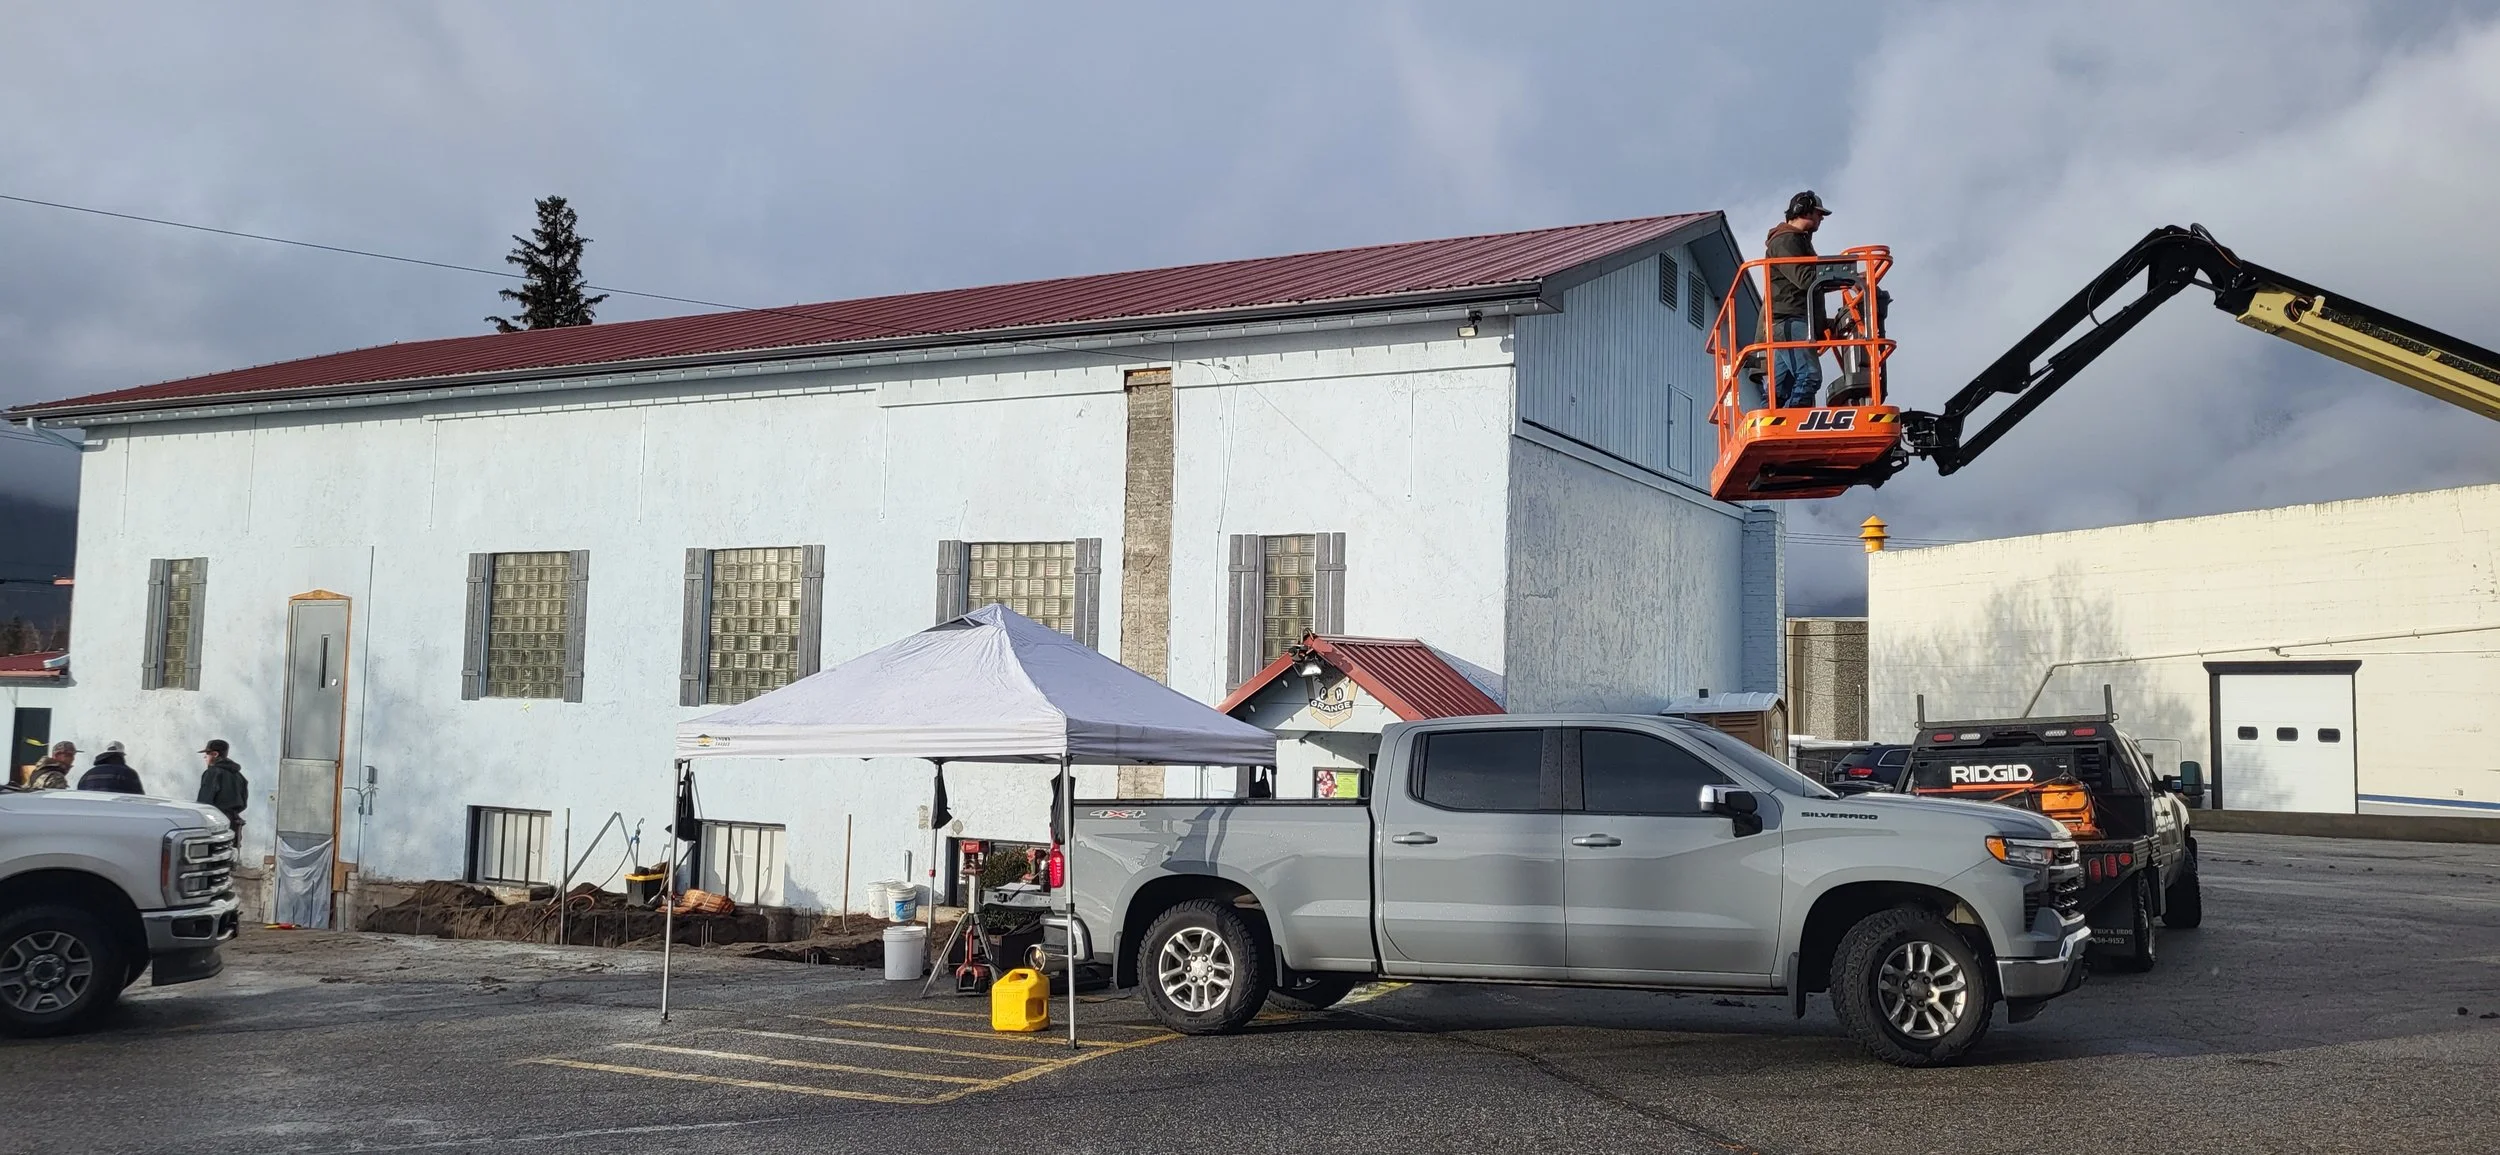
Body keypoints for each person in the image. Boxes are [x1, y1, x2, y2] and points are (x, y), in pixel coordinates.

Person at [1765, 190, 1849, 408]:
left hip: (1789, 321)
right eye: (1819, 214)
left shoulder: (1795, 241)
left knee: (1780, 389)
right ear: (1805, 210)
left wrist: (1823, 324)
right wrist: (1843, 277)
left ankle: (1772, 422)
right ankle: (1791, 422)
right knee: (1809, 376)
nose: (1821, 218)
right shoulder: (1786, 240)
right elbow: (1805, 279)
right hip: (1789, 320)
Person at [196, 739, 248, 833]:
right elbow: (243, 802)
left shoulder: (212, 773)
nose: (205, 757)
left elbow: (204, 802)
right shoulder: (239, 776)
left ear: (215, 754)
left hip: (216, 823)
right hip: (234, 824)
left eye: (207, 753)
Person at [78, 741, 144, 795]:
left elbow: (80, 798)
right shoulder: (128, 773)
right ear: (121, 756)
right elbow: (138, 799)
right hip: (117, 810)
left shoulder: (87, 775)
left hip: (91, 810)